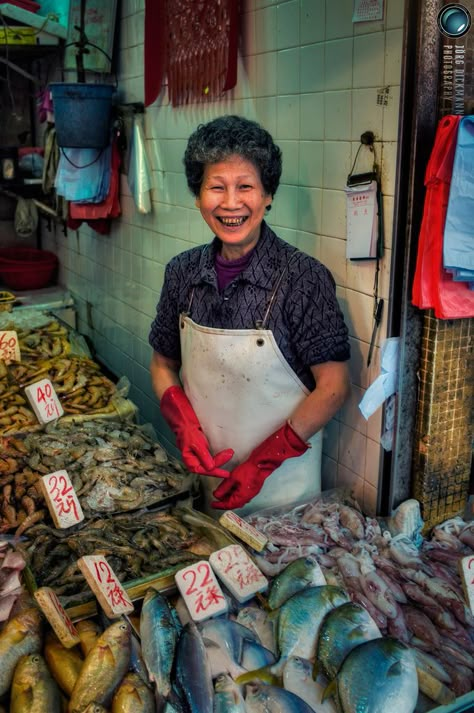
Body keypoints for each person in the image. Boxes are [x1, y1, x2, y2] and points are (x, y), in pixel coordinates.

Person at [149, 115, 350, 516]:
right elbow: (162, 363)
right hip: (209, 479)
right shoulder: (182, 272)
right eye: (216, 187)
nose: (230, 203)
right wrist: (183, 424)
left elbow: (333, 387)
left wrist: (263, 462)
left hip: (286, 495)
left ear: (268, 195)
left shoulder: (303, 278)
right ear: (197, 196)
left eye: (246, 187)